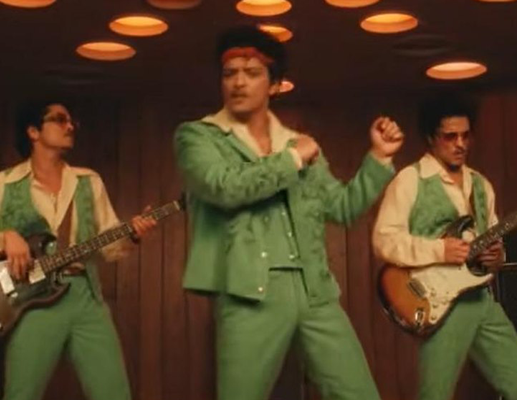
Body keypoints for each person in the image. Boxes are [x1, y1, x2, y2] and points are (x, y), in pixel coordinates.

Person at [173, 25, 404, 400]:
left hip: (316, 291)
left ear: (275, 85)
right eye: (229, 73)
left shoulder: (298, 143)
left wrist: (378, 158)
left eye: (252, 73)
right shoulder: (197, 136)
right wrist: (293, 159)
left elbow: (342, 208)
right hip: (248, 293)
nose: (238, 82)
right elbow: (224, 187)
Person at [0, 100, 156, 400]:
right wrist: (6, 237)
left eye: (71, 122)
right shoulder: (2, 184)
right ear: (33, 131)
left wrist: (131, 234)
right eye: (59, 119)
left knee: (114, 393)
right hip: (33, 299)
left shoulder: (88, 181)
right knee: (21, 394)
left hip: (86, 296)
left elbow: (108, 245)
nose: (70, 126)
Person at [371, 95, 517, 400]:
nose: (460, 144)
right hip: (441, 304)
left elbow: (492, 239)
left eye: (465, 135)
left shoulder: (481, 185)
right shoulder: (410, 180)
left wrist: (496, 256)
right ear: (430, 137)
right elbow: (384, 241)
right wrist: (440, 250)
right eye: (450, 136)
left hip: (481, 299)